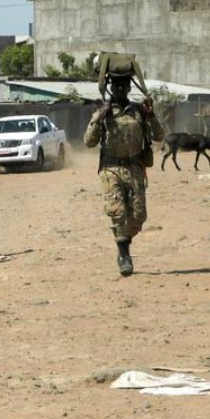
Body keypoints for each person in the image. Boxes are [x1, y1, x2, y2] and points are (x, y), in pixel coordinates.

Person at [84, 65, 164, 276]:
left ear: (129, 87)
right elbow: (89, 142)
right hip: (111, 168)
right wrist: (99, 117)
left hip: (135, 167)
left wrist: (152, 115)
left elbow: (159, 136)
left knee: (138, 216)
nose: (120, 88)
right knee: (117, 211)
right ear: (111, 87)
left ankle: (125, 239)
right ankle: (124, 255)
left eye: (123, 85)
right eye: (116, 85)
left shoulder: (139, 111)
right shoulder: (104, 112)